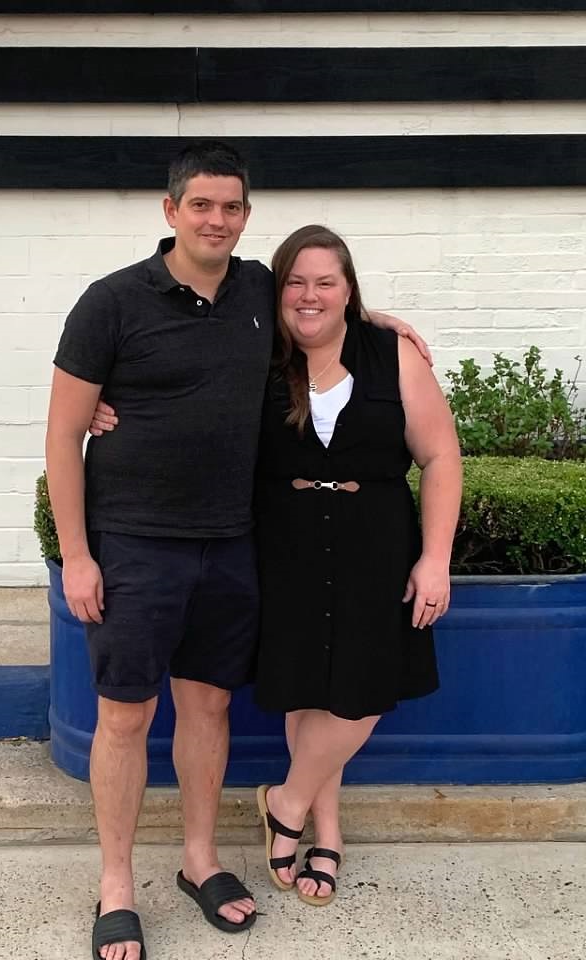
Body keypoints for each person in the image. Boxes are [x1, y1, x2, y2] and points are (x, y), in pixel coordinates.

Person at [47, 141, 430, 960]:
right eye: (201, 205)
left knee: (209, 708)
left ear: (246, 216)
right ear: (171, 210)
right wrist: (77, 554)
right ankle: (116, 886)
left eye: (231, 207)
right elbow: (63, 434)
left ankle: (200, 860)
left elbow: (318, 306)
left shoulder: (259, 289)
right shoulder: (111, 303)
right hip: (136, 545)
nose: (216, 220)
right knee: (125, 716)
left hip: (231, 543)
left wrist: (380, 322)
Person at [253, 225, 462, 906]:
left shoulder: (391, 354)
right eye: (295, 282)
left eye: (326, 282)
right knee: (307, 690)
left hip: (378, 545)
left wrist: (435, 558)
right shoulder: (257, 352)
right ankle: (327, 834)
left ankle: (284, 802)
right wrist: (105, 404)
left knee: (364, 691)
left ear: (349, 289)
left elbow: (440, 456)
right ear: (277, 290)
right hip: (284, 545)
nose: (309, 295)